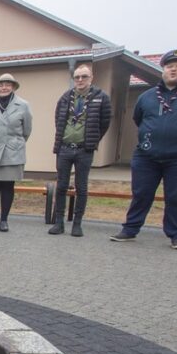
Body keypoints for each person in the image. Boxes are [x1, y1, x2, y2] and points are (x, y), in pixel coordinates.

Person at [111, 49, 177, 250]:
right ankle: (130, 229)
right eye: (170, 66)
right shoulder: (147, 96)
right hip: (147, 155)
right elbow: (139, 119)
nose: (173, 70)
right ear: (163, 69)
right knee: (141, 193)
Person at [49, 65, 111, 237]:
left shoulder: (101, 97)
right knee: (61, 185)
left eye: (84, 76)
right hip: (65, 148)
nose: (80, 80)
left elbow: (105, 123)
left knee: (81, 187)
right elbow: (58, 120)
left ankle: (77, 224)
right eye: (77, 77)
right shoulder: (66, 97)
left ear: (91, 77)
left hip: (84, 150)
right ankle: (59, 223)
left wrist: (91, 140)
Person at [0, 73, 32, 232]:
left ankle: (4, 220)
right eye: (1, 85)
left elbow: (27, 131)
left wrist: (13, 142)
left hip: (12, 152)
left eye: (8, 84)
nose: (4, 87)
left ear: (13, 87)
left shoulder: (23, 106)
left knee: (8, 187)